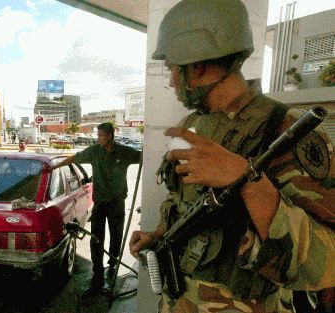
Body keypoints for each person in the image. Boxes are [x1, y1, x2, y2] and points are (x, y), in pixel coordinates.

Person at [129, 1, 334, 312]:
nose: (171, 81)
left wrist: (250, 181)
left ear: (196, 66)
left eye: (172, 67)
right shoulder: (193, 126)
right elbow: (183, 203)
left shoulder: (287, 131)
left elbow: (327, 262)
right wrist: (159, 235)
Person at [51, 122, 141, 291]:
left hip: (117, 204)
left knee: (116, 235)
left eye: (100, 135)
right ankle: (97, 270)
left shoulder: (124, 152)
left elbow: (142, 157)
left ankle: (113, 260)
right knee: (96, 238)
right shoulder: (94, 152)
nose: (98, 138)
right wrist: (55, 166)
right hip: (99, 203)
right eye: (98, 135)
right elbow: (75, 157)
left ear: (110, 136)